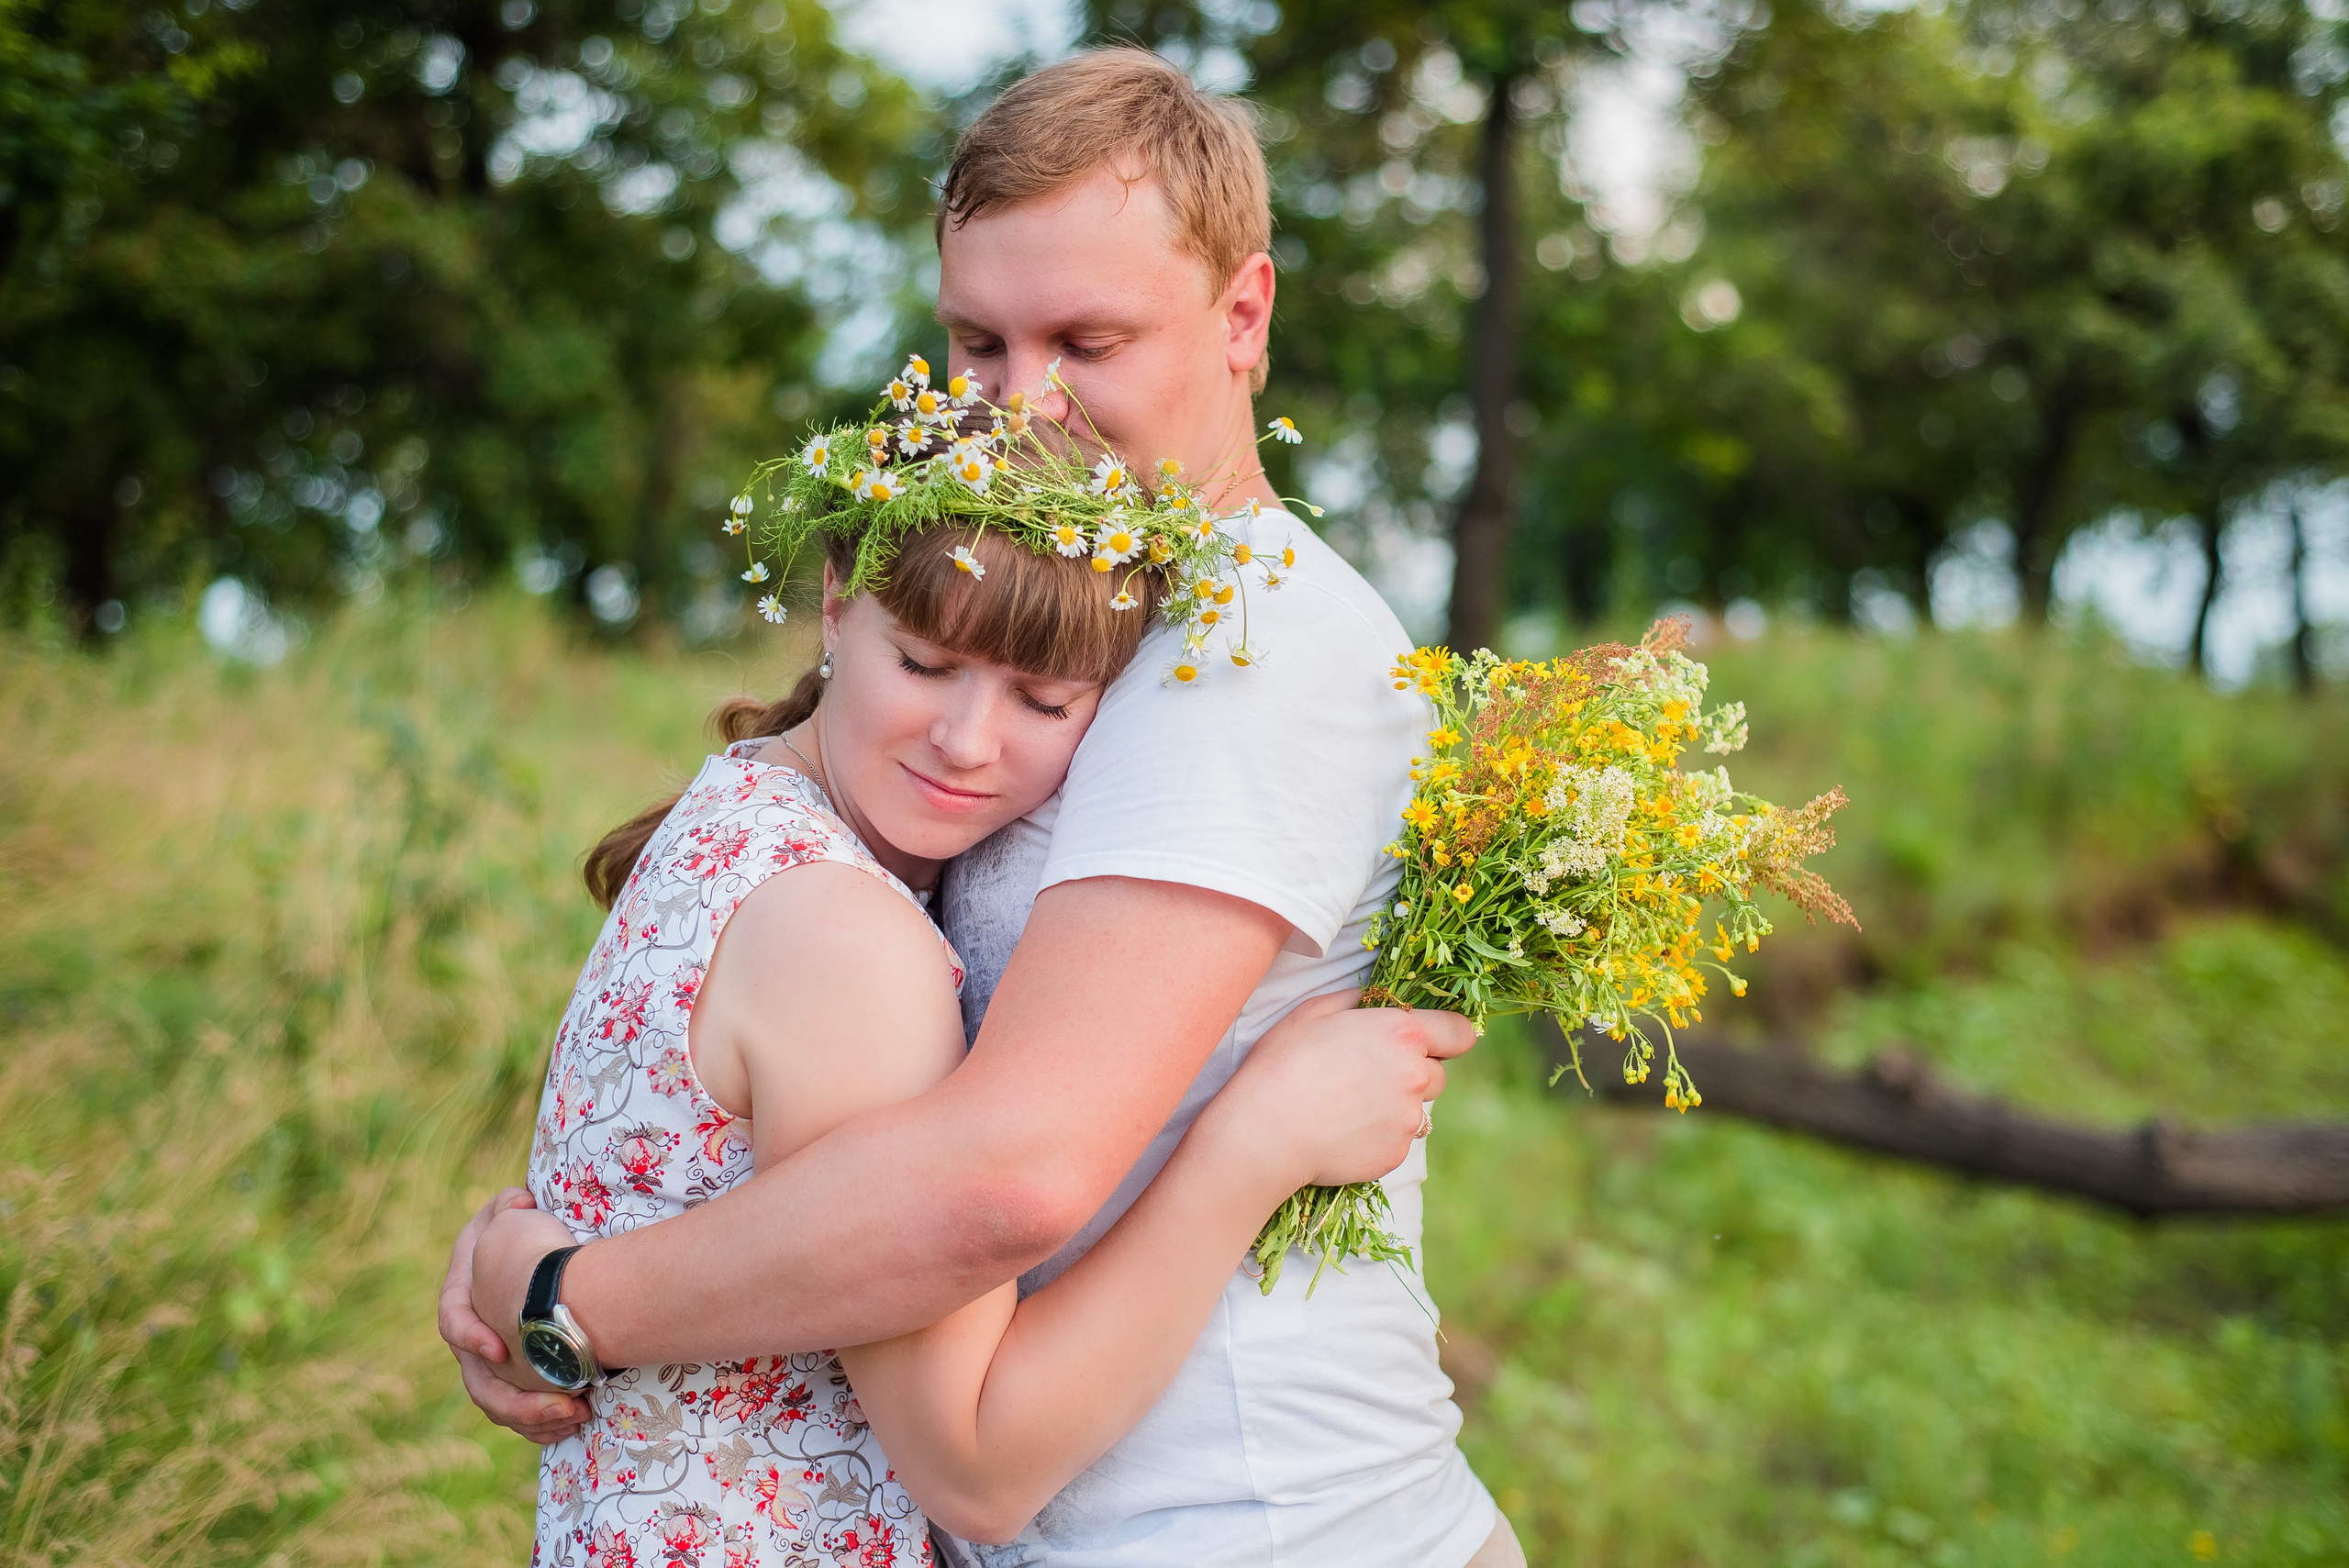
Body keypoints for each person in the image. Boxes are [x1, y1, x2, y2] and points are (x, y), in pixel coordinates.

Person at [442, 47, 1525, 1568]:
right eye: (978, 340)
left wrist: (571, 1295)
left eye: (1086, 338)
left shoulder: (1254, 656)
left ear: (1244, 316)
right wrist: (553, 1237)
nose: (1026, 406)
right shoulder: (1049, 621)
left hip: (1263, 1524)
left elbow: (1004, 1173)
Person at [484, 516, 1463, 1564]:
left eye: (1043, 700)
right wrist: (1255, 1142)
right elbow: (979, 1466)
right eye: (923, 662)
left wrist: (547, 1298)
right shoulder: (846, 937)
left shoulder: (728, 817)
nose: (967, 739)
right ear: (833, 600)